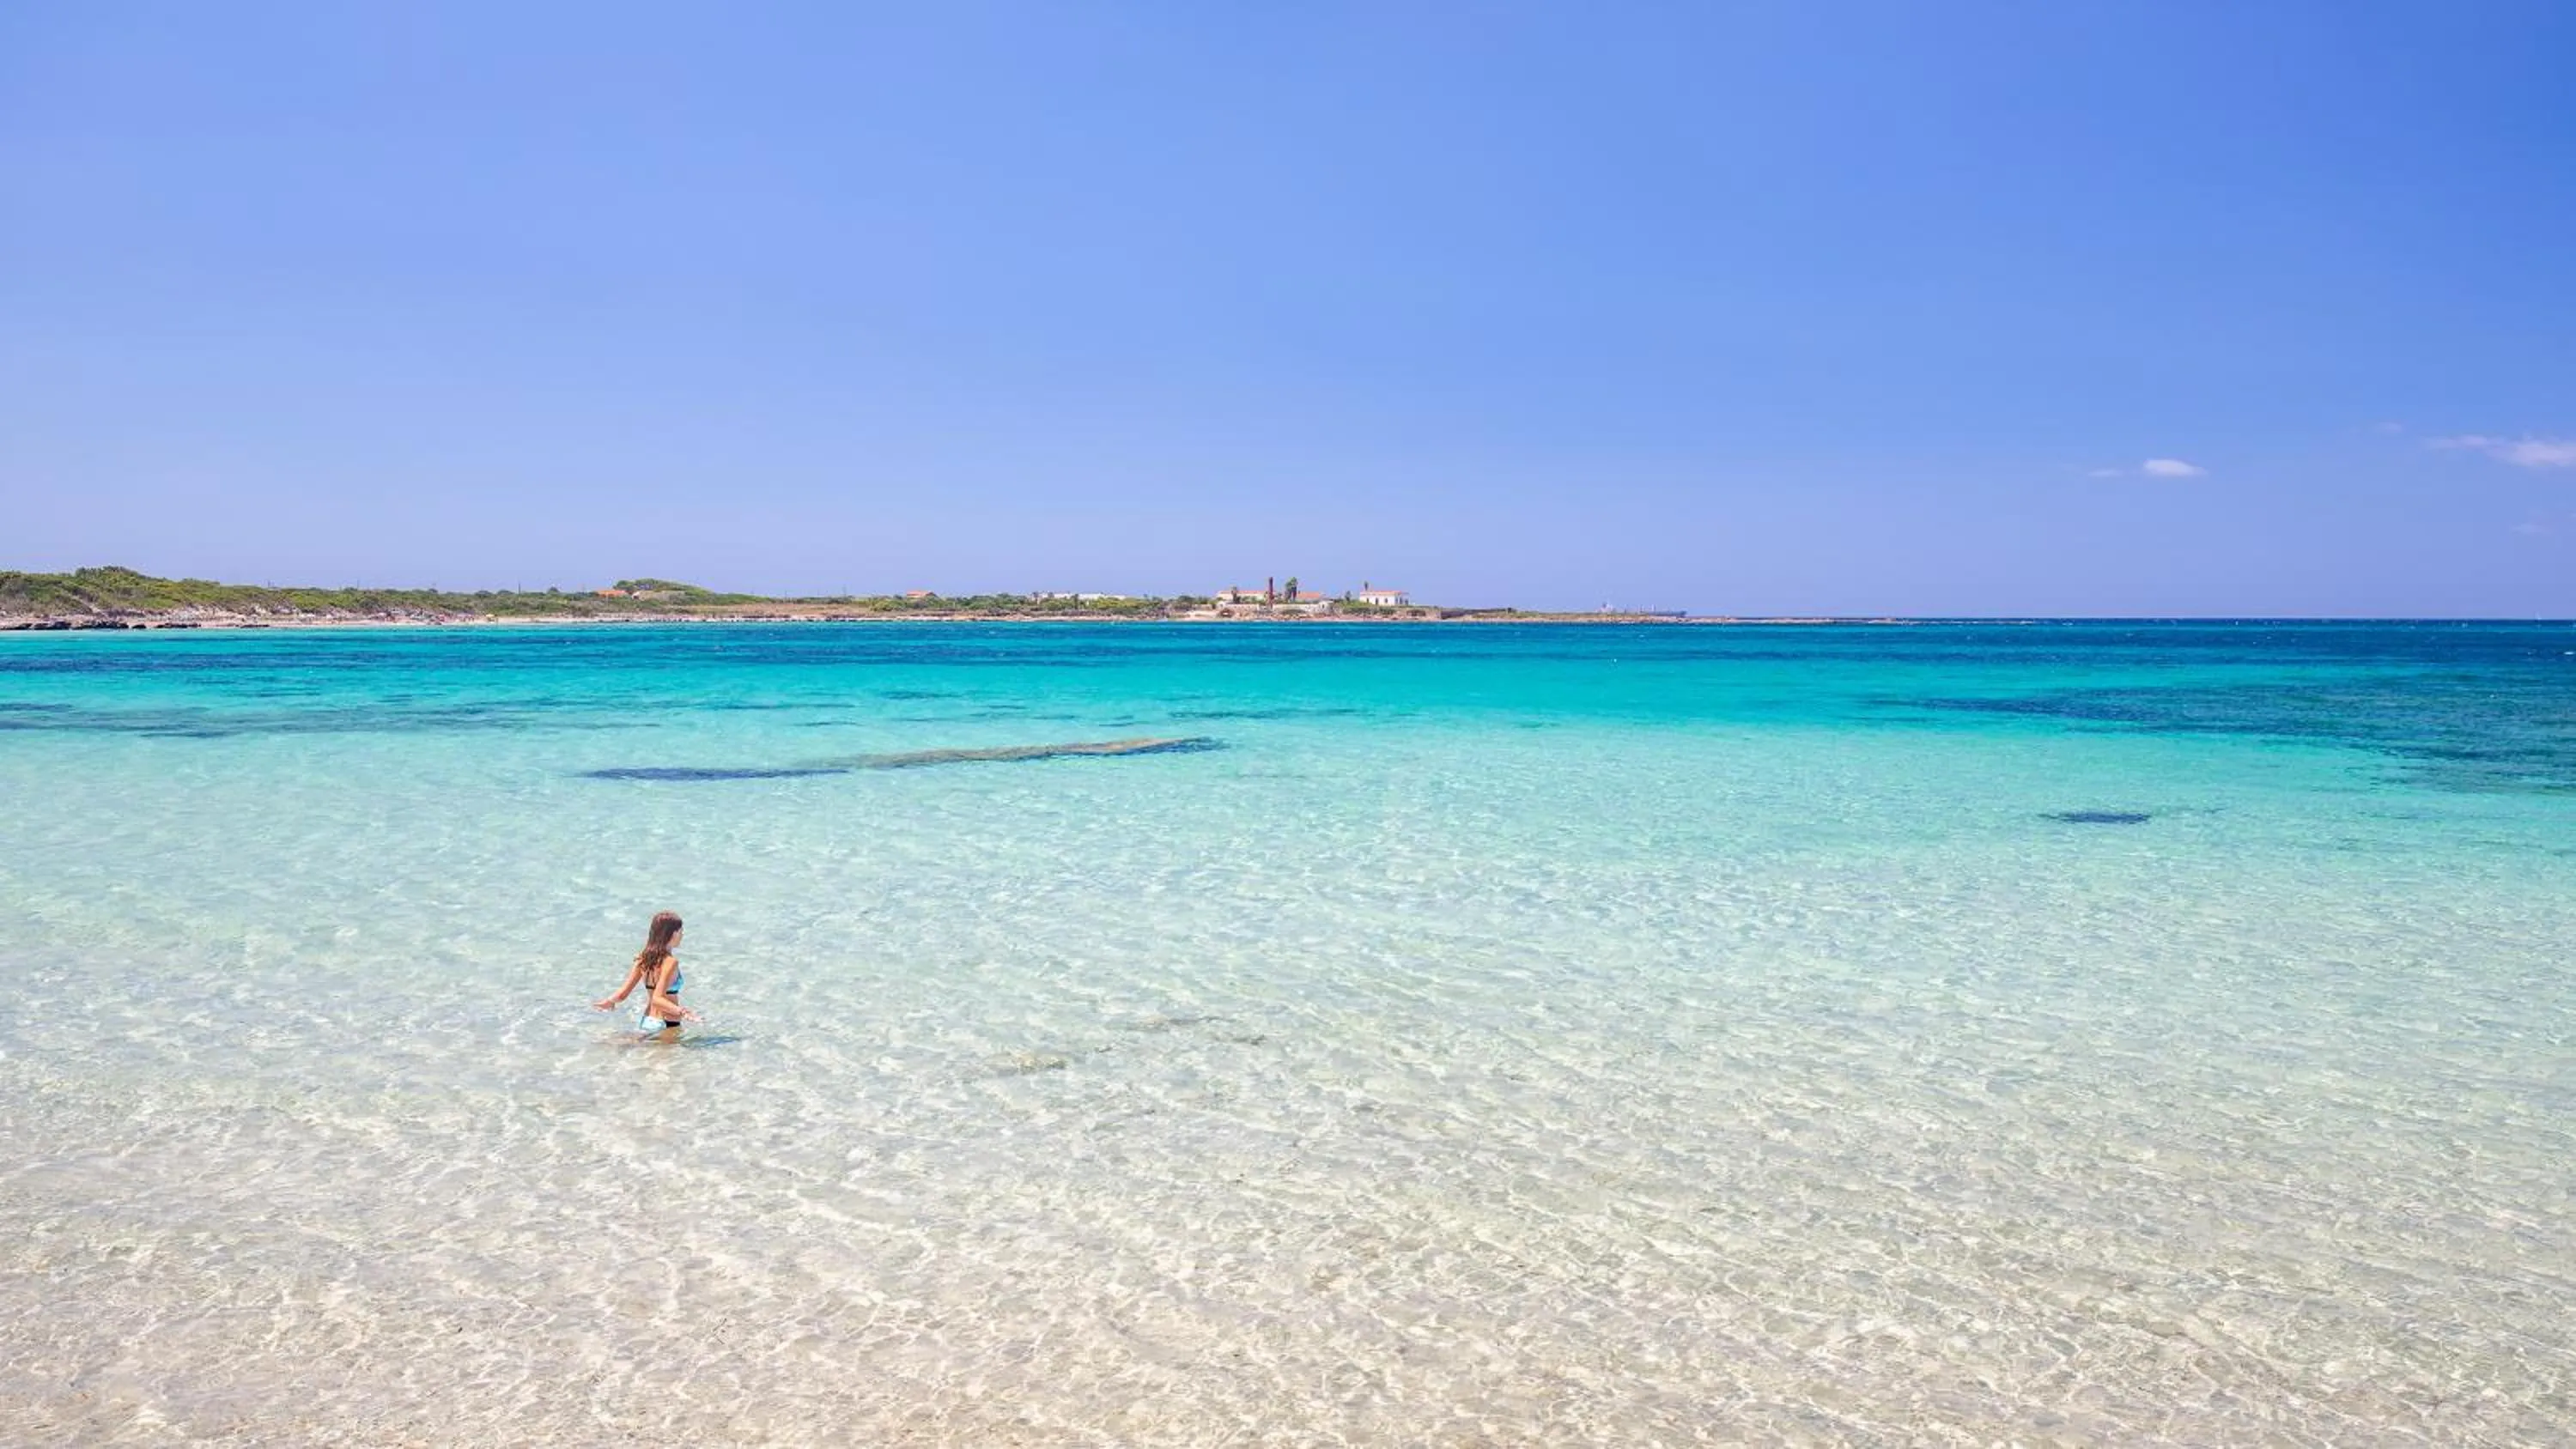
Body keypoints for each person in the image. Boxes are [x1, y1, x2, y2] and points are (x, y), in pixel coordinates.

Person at [594, 910, 699, 1034]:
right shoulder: (670, 962)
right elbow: (657, 998)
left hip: (648, 1020)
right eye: (680, 931)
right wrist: (684, 1012)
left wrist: (609, 1002)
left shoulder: (642, 958)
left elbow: (622, 994)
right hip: (667, 1023)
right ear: (672, 933)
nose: (682, 935)